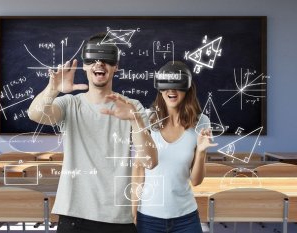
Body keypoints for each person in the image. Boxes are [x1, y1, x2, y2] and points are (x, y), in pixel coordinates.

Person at [28, 33, 158, 233]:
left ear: (116, 66)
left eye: (107, 59)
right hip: (74, 215)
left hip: (118, 217)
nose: (100, 64)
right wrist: (53, 89)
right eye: (93, 60)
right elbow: (35, 114)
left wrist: (135, 119)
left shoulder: (132, 107)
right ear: (85, 66)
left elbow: (150, 161)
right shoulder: (70, 104)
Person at [136, 61, 217, 233]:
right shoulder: (147, 119)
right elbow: (138, 170)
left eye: (177, 86)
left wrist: (201, 152)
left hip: (185, 217)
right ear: (159, 88)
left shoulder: (201, 122)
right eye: (166, 86)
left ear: (187, 89)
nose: (171, 91)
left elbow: (196, 181)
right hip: (149, 217)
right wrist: (132, 214)